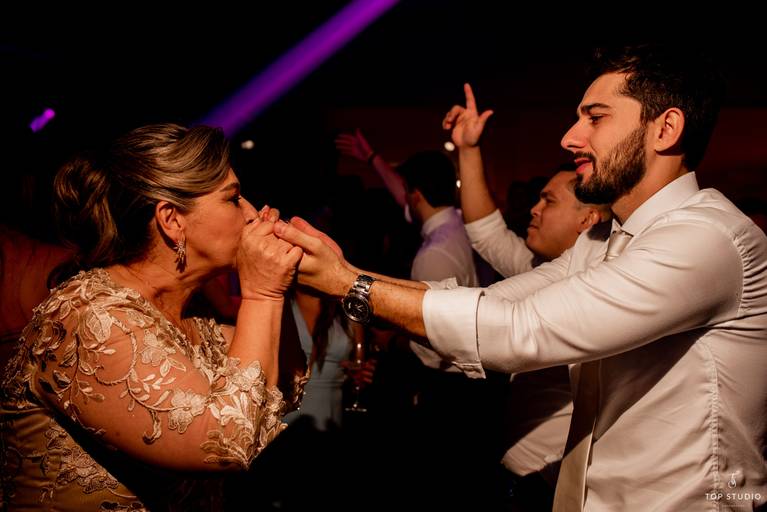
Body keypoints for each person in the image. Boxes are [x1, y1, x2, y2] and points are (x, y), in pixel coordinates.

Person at [275, 45, 767, 511]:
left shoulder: (708, 239)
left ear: (666, 129)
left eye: (595, 118)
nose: (570, 138)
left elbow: (517, 331)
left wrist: (345, 284)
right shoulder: (603, 242)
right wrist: (344, 272)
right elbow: (491, 302)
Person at [0, 123, 308, 511]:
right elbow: (228, 442)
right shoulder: (91, 316)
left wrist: (287, 278)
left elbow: (279, 390)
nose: (253, 214)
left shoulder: (194, 318)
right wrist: (264, 292)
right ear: (172, 220)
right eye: (233, 199)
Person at [449, 83, 611, 509]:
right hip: (520, 476)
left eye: (548, 201)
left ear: (587, 220)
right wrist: (468, 149)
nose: (534, 209)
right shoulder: (541, 267)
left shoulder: (598, 282)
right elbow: (486, 232)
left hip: (554, 484)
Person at [335, 131, 479, 286]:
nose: (404, 196)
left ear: (416, 196)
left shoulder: (432, 257)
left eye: (406, 190)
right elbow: (408, 200)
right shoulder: (461, 221)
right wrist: (371, 157)